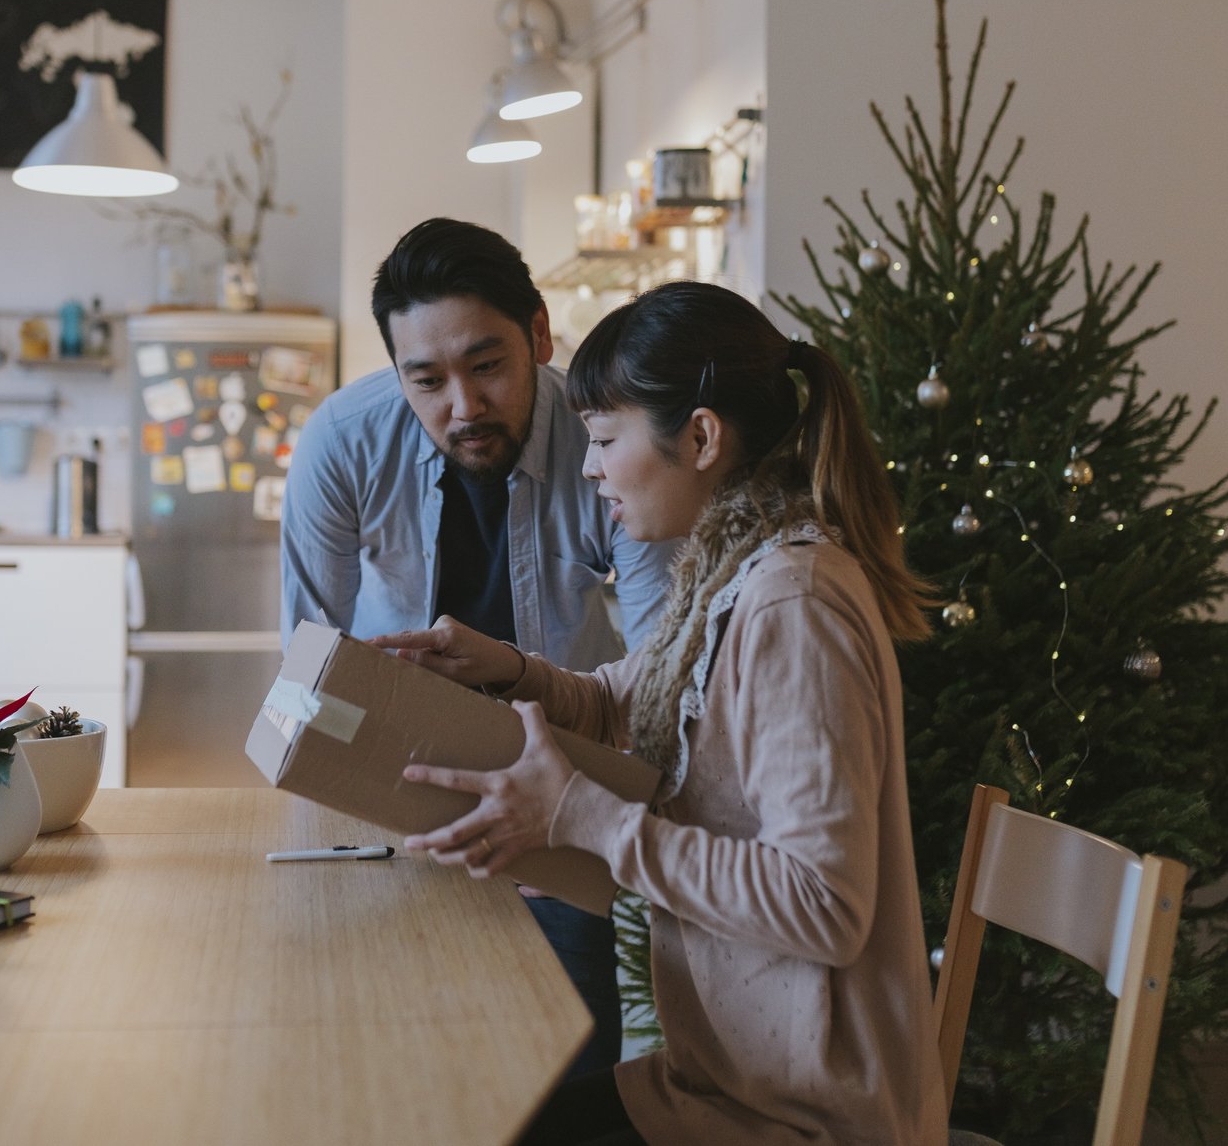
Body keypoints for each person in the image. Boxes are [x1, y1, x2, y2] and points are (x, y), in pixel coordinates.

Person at [376, 280, 945, 1146]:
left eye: (605, 438)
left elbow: (824, 905)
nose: (591, 466)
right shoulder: (732, 569)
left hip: (802, 1112)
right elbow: (617, 700)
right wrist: (508, 668)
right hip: (726, 1077)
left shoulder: (791, 605)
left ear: (702, 436)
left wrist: (584, 817)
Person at [281, 217, 679, 1077]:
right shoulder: (342, 444)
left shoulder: (612, 449)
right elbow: (308, 667)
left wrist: (582, 828)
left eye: (487, 365)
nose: (461, 406)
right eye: (425, 379)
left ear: (539, 333)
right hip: (391, 806)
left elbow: (661, 675)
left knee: (566, 1077)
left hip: (561, 800)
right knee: (381, 1068)